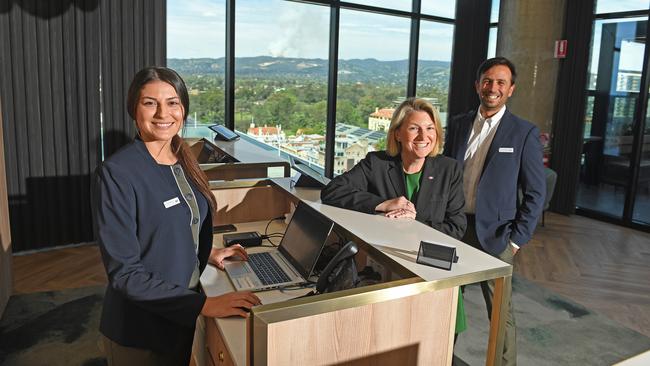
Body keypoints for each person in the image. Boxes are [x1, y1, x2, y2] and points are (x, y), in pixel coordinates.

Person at [93, 66, 261, 366]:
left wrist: (207, 251)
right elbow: (125, 274)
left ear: (183, 108)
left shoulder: (183, 157)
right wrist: (204, 305)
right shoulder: (117, 173)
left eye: (172, 102)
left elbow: (173, 224)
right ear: (134, 108)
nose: (162, 113)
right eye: (150, 103)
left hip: (178, 318)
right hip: (141, 330)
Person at [321, 97, 467, 334]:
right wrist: (382, 203)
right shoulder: (376, 163)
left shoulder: (449, 170)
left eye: (430, 128)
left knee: (439, 345)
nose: (423, 136)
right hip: (389, 273)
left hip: (435, 268)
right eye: (414, 128)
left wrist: (414, 222)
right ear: (398, 134)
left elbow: (457, 227)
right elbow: (332, 191)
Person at [444, 57, 546, 365]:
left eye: (501, 82)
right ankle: (443, 355)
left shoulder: (523, 133)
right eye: (488, 81)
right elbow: (448, 173)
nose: (493, 88)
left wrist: (516, 240)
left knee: (501, 311)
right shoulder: (460, 124)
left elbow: (535, 192)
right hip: (456, 228)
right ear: (477, 85)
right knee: (448, 301)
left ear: (511, 89)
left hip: (497, 235)